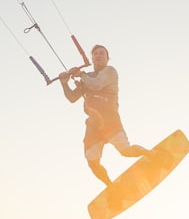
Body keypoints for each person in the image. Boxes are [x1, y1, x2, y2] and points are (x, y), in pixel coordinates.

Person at [59, 45, 151, 186]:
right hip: (93, 122)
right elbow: (72, 98)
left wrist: (81, 75)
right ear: (92, 59)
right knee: (92, 160)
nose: (98, 55)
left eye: (102, 53)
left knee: (126, 151)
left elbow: (97, 85)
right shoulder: (87, 77)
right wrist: (64, 83)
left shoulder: (110, 71)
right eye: (95, 54)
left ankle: (151, 154)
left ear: (107, 58)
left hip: (108, 117)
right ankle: (110, 186)